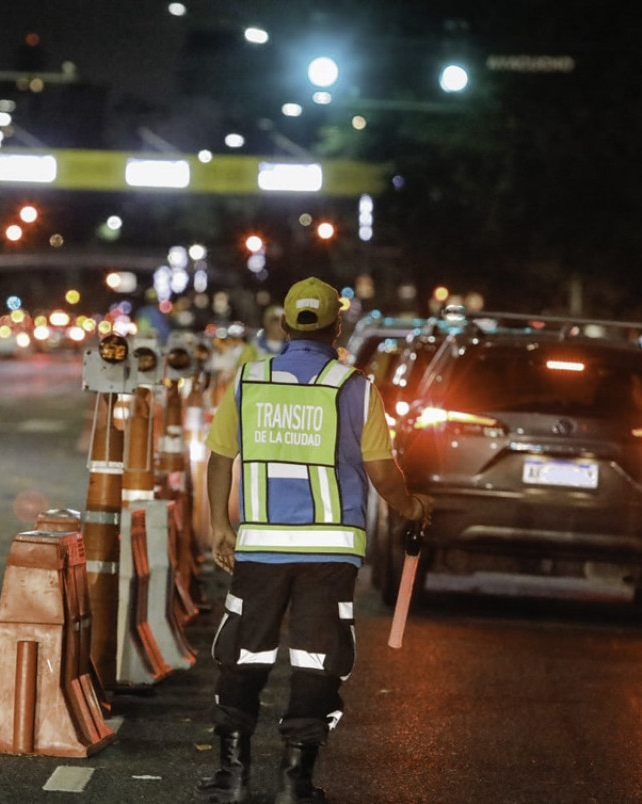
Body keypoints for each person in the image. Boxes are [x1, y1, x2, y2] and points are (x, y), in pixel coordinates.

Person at [196, 277, 433, 804]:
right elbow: (382, 470)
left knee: (244, 655)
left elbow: (219, 458)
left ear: (283, 325)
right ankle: (294, 783)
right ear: (336, 327)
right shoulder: (356, 387)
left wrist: (219, 524)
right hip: (330, 553)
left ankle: (232, 777)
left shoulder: (249, 381)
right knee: (317, 659)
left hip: (259, 549)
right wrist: (411, 507)